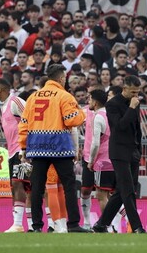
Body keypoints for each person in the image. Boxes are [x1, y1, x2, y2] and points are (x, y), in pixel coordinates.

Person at [19, 64, 89, 233]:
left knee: (37, 187)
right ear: (61, 78)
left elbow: (24, 125)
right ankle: (73, 224)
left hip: (36, 147)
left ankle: (36, 226)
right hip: (59, 147)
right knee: (69, 185)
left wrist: (23, 147)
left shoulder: (33, 97)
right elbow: (72, 120)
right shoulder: (64, 96)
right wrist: (82, 113)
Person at [93, 75, 147, 233]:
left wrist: (139, 150)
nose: (135, 96)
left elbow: (136, 128)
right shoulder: (112, 104)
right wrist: (131, 108)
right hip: (119, 152)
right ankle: (137, 227)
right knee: (128, 190)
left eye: (137, 92)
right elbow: (120, 127)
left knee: (121, 191)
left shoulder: (134, 102)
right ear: (124, 89)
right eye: (133, 92)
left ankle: (101, 224)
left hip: (133, 151)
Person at [0, 78, 30, 233]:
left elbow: (31, 119)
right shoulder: (5, 105)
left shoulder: (15, 101)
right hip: (12, 151)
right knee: (15, 186)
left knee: (20, 184)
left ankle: (21, 224)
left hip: (22, 150)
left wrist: (25, 147)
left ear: (2, 89)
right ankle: (21, 224)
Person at [82, 89, 122, 232]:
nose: (88, 102)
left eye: (90, 99)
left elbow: (96, 143)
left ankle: (106, 225)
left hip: (102, 161)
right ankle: (115, 224)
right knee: (114, 194)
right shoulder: (111, 115)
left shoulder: (98, 117)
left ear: (96, 101)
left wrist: (91, 161)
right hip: (114, 159)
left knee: (101, 195)